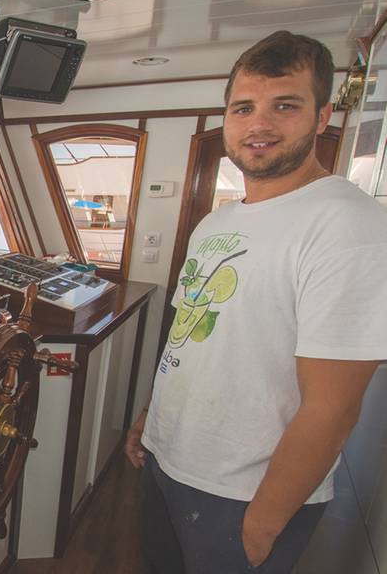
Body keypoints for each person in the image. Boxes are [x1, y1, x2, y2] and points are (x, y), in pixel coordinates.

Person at [125, 30, 387, 573]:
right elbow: (194, 335)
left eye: (285, 106)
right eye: (244, 108)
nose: (259, 125)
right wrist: (153, 419)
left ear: (322, 117)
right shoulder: (218, 221)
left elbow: (334, 408)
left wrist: (263, 524)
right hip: (169, 461)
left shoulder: (348, 224)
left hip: (241, 493)